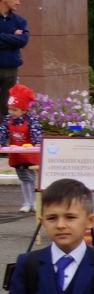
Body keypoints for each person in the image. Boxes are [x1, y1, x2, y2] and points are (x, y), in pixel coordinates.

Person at [5, 82, 39, 211]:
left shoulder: (31, 121)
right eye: (10, 109)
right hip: (17, 155)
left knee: (31, 178)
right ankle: (27, 202)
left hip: (29, 155)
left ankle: (34, 202)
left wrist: (36, 143)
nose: (11, 112)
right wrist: (2, 142)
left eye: (15, 110)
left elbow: (36, 132)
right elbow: (3, 131)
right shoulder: (8, 120)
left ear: (24, 110)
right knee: (23, 179)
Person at [0, 0, 27, 95]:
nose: (18, 2)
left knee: (8, 106)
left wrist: (1, 36)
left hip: (10, 70)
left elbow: (22, 41)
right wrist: (12, 39)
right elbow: (17, 41)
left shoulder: (20, 21)